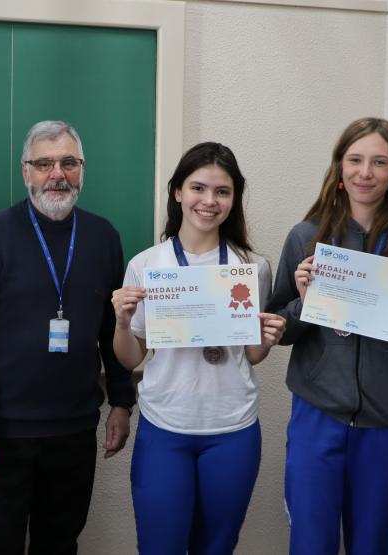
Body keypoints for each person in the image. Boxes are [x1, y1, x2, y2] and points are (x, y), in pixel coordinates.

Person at [0, 120, 135, 554]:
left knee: (60, 543)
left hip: (74, 427)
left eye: (69, 163)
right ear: (25, 171)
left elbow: (114, 329)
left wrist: (122, 401)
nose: (57, 174)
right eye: (45, 163)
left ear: (82, 169)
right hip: (2, 430)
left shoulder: (103, 236)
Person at [266, 117, 388, 554]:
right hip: (317, 415)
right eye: (356, 160)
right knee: (311, 542)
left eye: (379, 162)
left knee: (370, 544)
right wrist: (306, 300)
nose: (366, 172)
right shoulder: (307, 237)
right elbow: (278, 328)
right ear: (339, 169)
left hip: (383, 423)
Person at [111, 142, 285, 553]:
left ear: (234, 198)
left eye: (222, 192)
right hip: (165, 427)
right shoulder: (147, 265)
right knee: (160, 547)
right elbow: (132, 356)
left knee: (216, 547)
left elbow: (251, 355)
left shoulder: (251, 266)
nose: (209, 201)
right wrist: (120, 322)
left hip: (232, 428)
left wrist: (267, 340)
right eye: (198, 188)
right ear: (177, 192)